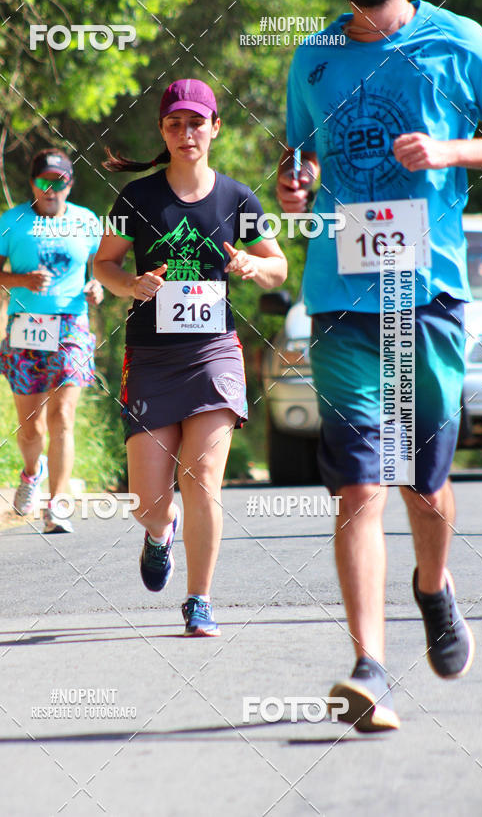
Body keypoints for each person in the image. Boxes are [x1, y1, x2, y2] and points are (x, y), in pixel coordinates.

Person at [278, 0, 482, 731]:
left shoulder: (462, 41)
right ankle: (369, 664)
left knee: (422, 485)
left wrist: (451, 153)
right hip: (339, 293)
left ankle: (433, 587)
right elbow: (303, 160)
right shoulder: (313, 58)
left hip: (427, 293)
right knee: (358, 481)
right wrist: (298, 191)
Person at [94, 79, 287, 636]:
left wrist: (253, 266)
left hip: (214, 355)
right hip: (151, 357)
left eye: (197, 122)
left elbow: (277, 266)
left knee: (202, 478)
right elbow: (103, 265)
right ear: (163, 130)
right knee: (147, 501)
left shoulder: (238, 199)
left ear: (215, 128)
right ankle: (160, 532)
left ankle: (198, 599)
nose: (186, 133)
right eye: (175, 124)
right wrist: (129, 285)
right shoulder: (136, 199)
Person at [0, 148, 103, 533]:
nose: (51, 190)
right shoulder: (13, 221)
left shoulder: (87, 221)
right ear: (32, 183)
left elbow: (103, 268)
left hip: (72, 324)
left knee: (62, 416)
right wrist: (21, 280)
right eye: (44, 182)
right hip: (25, 326)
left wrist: (97, 287)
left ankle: (56, 505)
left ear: (70, 184)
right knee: (31, 428)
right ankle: (30, 472)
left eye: (59, 182)